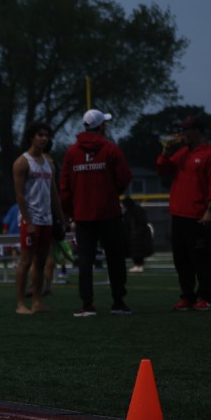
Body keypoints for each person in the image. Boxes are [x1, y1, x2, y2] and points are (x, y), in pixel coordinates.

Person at [60, 109, 133, 316]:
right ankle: (118, 302)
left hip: (83, 215)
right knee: (115, 258)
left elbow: (64, 186)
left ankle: (87, 304)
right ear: (101, 126)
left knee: (85, 260)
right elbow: (124, 177)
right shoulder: (111, 149)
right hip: (109, 213)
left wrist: (70, 211)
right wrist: (112, 192)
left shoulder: (72, 152)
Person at [156, 115, 211, 311]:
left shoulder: (209, 154)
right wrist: (165, 151)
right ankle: (188, 296)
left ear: (197, 131)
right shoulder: (183, 152)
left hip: (197, 216)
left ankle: (207, 298)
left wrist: (210, 210)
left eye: (186, 129)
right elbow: (163, 170)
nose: (182, 133)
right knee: (182, 260)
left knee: (201, 260)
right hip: (178, 214)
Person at [11, 121, 64, 314]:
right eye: (40, 135)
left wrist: (61, 218)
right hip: (31, 219)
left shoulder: (49, 163)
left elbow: (53, 193)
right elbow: (19, 196)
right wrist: (28, 221)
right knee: (26, 261)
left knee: (41, 263)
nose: (44, 138)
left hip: (47, 219)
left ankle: (36, 302)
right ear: (31, 137)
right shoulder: (22, 162)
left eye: (46, 135)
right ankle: (20, 304)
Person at [122, 196, 154, 272]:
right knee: (136, 252)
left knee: (138, 252)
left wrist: (137, 233)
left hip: (138, 235)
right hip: (136, 235)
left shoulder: (134, 211)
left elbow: (141, 222)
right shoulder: (134, 210)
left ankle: (138, 265)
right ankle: (138, 265)